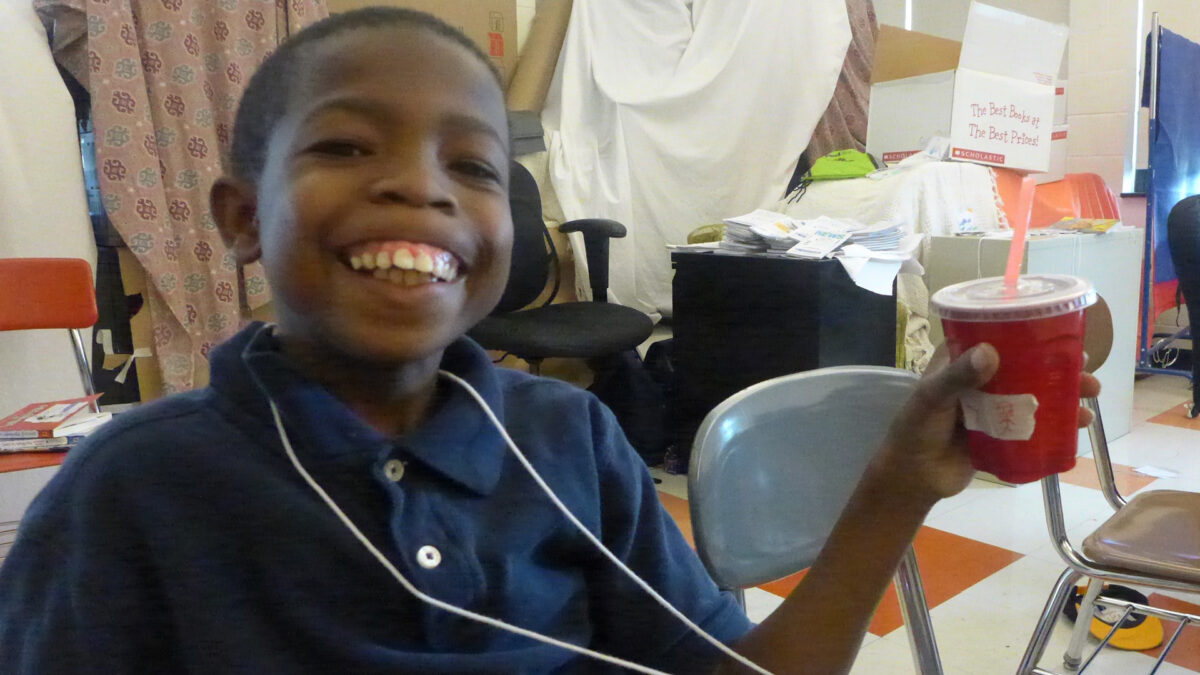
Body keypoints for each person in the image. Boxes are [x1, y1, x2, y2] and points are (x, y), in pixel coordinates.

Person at [0, 8, 1100, 674]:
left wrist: (893, 490)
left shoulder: (567, 440)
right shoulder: (133, 491)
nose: (417, 186)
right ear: (241, 218)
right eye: (344, 144)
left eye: (473, 166)